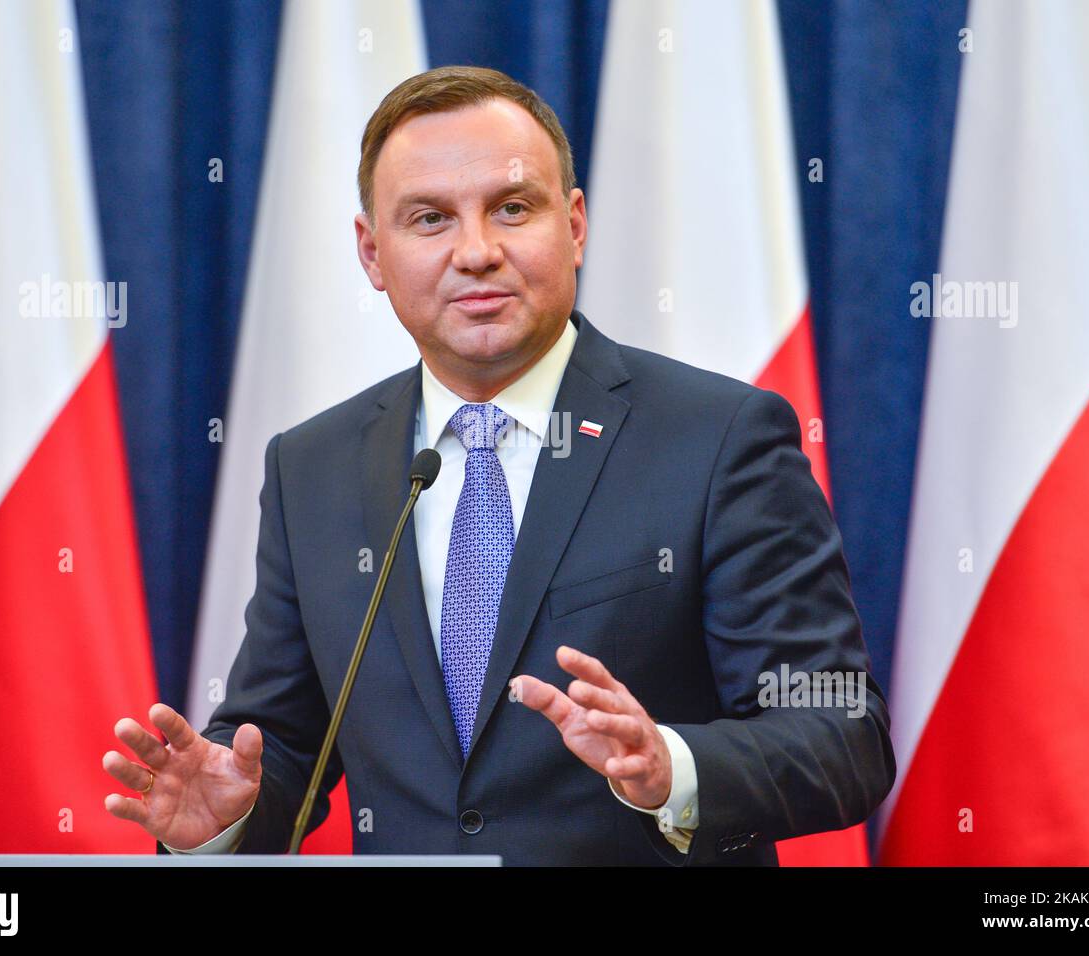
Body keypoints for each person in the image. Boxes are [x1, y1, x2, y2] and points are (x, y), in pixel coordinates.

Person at [103, 65, 896, 865]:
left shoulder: (718, 437)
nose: (476, 251)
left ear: (575, 225)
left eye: (512, 209)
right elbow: (282, 746)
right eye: (430, 219)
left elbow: (843, 733)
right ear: (372, 253)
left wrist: (672, 768)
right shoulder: (312, 466)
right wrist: (229, 819)